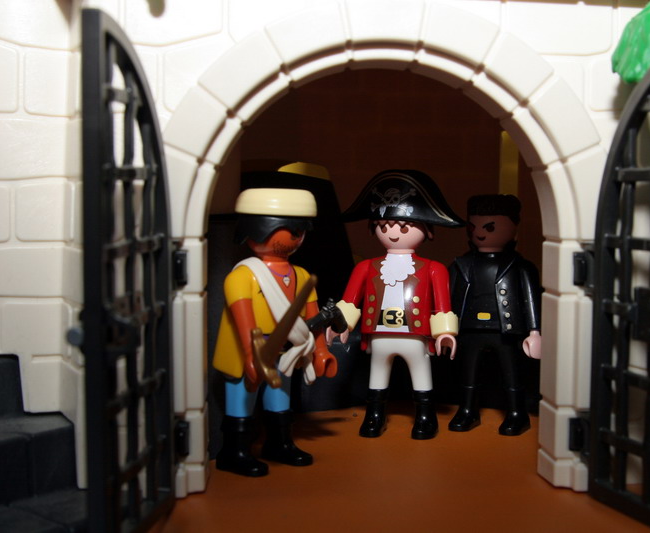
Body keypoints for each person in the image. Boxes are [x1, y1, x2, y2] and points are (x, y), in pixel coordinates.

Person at [213, 187, 337, 476]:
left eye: (299, 231)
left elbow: (314, 317)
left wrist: (321, 350)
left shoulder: (301, 276)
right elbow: (243, 319)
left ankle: (279, 443)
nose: (294, 237)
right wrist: (251, 353)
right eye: (287, 230)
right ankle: (234, 452)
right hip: (250, 351)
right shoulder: (243, 276)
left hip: (285, 352)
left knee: (279, 400)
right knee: (242, 402)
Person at [331, 169, 463, 440]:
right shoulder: (366, 267)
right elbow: (349, 300)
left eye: (403, 227)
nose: (391, 233)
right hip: (379, 334)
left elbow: (443, 305)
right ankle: (374, 416)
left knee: (421, 374)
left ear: (427, 229)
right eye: (383, 226)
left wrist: (445, 332)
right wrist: (340, 323)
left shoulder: (434, 269)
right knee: (377, 376)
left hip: (415, 335)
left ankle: (425, 417)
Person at [448, 194, 542, 436]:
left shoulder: (520, 266)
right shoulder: (461, 264)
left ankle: (517, 413)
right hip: (469, 329)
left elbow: (531, 299)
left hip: (506, 330)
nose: (480, 233)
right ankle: (467, 410)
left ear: (513, 227)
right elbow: (447, 299)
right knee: (468, 373)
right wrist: (445, 330)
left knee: (512, 373)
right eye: (473, 226)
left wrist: (534, 331)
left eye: (489, 227)